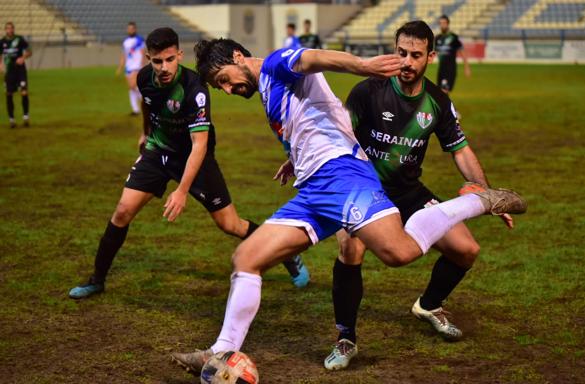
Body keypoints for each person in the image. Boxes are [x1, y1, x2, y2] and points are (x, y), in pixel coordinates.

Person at [170, 38, 526, 375]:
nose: (229, 90)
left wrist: (362, 65)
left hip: (343, 176)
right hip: (312, 191)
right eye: (222, 89)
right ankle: (220, 351)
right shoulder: (268, 87)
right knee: (246, 258)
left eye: (224, 81)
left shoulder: (276, 64)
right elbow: (313, 117)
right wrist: (295, 157)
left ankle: (476, 202)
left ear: (236, 58)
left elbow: (311, 57)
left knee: (398, 252)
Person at [323, 20, 514, 371]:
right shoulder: (368, 91)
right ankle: (346, 337)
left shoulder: (438, 102)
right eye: (401, 53)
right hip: (366, 189)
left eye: (415, 55)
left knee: (466, 250)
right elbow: (338, 134)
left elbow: (461, 151)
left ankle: (428, 304)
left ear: (429, 56)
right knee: (350, 247)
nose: (406, 62)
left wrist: (487, 196)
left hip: (410, 192)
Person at [68, 28, 308, 300]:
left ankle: (289, 256)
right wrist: (146, 132)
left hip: (196, 158)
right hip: (158, 153)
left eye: (170, 59)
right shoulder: (144, 78)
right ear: (149, 59)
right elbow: (149, 104)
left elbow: (199, 145)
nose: (164, 67)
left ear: (179, 55)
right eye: (157, 61)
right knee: (122, 211)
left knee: (230, 224)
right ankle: (97, 280)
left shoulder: (195, 89)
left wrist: (182, 190)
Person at [0, 22, 31, 128]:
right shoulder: (2, 42)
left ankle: (26, 117)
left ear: (14, 29)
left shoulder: (19, 39)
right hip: (9, 71)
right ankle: (12, 120)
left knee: (24, 92)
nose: (10, 30)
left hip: (20, 70)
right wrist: (1, 65)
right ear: (5, 30)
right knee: (9, 94)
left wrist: (23, 58)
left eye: (12, 28)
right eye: (8, 28)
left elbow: (29, 51)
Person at [116, 22, 146, 116]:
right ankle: (135, 109)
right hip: (128, 67)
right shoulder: (125, 42)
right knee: (131, 88)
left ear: (135, 29)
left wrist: (143, 65)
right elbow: (124, 55)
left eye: (132, 28)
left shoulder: (139, 40)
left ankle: (146, 103)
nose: (130, 30)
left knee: (133, 86)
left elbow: (143, 53)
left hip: (136, 66)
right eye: (128, 28)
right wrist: (120, 67)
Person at [435, 15, 470, 94]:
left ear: (448, 24)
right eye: (440, 23)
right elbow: (435, 52)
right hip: (441, 69)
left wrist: (466, 67)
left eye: (444, 23)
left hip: (450, 69)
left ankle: (445, 106)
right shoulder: (437, 38)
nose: (442, 25)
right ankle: (445, 106)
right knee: (440, 93)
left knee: (444, 91)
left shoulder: (453, 37)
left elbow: (462, 51)